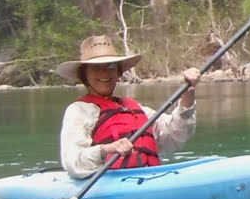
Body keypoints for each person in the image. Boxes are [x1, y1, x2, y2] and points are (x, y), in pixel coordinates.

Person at [56, 35, 201, 177]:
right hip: (107, 184)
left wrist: (187, 95)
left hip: (150, 176)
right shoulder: (79, 111)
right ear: (84, 75)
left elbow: (175, 135)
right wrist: (106, 149)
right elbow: (72, 161)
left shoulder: (134, 107)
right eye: (96, 67)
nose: (105, 73)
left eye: (111, 66)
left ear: (118, 72)